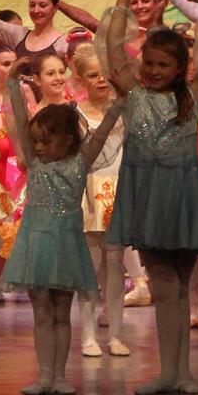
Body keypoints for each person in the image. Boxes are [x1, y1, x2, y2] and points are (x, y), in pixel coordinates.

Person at [102, 0, 198, 395]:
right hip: (148, 196)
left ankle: (183, 372)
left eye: (162, 65)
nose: (153, 70)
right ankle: (169, 373)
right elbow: (111, 47)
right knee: (164, 287)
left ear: (180, 70)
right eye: (149, 63)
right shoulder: (133, 94)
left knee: (179, 284)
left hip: (184, 196)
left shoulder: (192, 98)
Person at [2, 67, 121, 395]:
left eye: (45, 141)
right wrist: (12, 82)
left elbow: (102, 132)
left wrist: (119, 105)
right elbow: (20, 117)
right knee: (42, 312)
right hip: (36, 244)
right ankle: (43, 375)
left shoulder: (80, 161)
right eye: (36, 141)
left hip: (67, 244)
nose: (38, 147)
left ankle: (59, 375)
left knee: (61, 313)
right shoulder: (35, 161)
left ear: (68, 139)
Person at [71, 43, 129, 358]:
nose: (100, 81)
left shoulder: (124, 112)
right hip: (90, 194)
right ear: (80, 79)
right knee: (91, 267)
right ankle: (89, 334)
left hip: (119, 193)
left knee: (116, 267)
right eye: (92, 75)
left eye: (104, 74)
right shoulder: (75, 114)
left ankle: (117, 334)